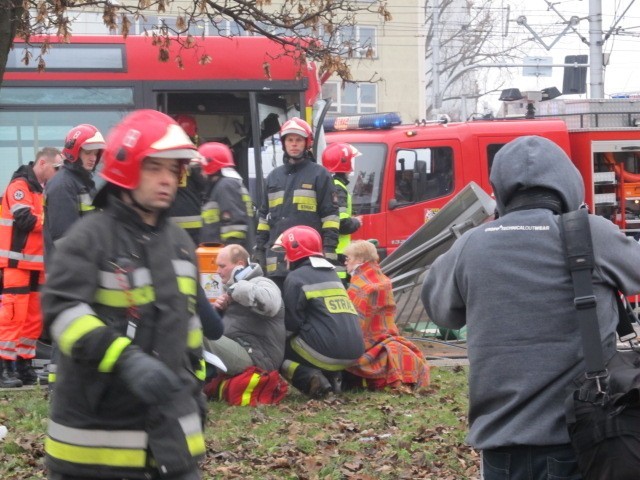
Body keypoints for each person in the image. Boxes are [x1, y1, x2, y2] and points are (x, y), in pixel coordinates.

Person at [421, 135, 640, 479]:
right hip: (586, 440)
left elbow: (441, 311)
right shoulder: (592, 235)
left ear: (501, 190)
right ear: (569, 183)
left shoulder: (472, 245)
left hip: (501, 448)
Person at [41, 109, 206, 480]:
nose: (167, 180)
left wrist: (195, 386)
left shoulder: (180, 244)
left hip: (171, 445)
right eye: (154, 168)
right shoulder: (89, 238)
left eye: (173, 169)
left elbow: (189, 326)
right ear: (126, 168)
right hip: (96, 450)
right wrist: (126, 360)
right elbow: (62, 311)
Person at [274, 225, 364, 398]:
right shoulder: (333, 274)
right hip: (354, 353)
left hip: (326, 353)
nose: (285, 257)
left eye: (286, 251)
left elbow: (291, 324)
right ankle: (334, 378)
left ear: (295, 250)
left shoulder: (296, 278)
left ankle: (311, 380)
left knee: (277, 349)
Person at [0, 147, 62, 387]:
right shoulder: (20, 187)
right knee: (13, 317)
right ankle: (5, 367)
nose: (58, 173)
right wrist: (54, 218)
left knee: (33, 319)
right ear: (43, 163)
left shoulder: (41, 190)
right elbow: (25, 220)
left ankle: (24, 365)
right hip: (18, 263)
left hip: (38, 265)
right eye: (56, 168)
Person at [255, 117, 340, 290]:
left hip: (307, 258)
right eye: (290, 140)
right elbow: (264, 218)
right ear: (284, 143)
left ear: (307, 143)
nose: (294, 144)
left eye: (299, 140)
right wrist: (259, 249)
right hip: (277, 258)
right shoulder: (273, 177)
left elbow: (330, 216)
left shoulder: (320, 175)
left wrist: (329, 250)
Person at [342, 240, 430, 392]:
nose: (345, 262)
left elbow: (352, 322)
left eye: (348, 258)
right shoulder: (383, 280)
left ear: (360, 260)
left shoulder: (361, 286)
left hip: (366, 342)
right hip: (386, 335)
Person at [203, 244, 285, 377]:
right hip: (243, 349)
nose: (217, 271)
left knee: (196, 335)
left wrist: (236, 287)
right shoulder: (232, 288)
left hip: (258, 358)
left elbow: (271, 304)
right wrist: (219, 311)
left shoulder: (262, 282)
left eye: (222, 266)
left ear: (239, 265)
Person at [43, 123, 106, 263]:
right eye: (88, 152)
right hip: (69, 272)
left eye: (96, 153)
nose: (93, 158)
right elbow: (65, 239)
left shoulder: (82, 182)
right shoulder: (63, 185)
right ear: (74, 153)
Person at [198, 142, 255, 250]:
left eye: (202, 167)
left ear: (211, 164)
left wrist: (230, 258)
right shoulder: (228, 184)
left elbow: (234, 230)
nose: (201, 173)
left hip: (227, 259)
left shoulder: (226, 186)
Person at [321, 142, 363, 282]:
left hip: (332, 252)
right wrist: (356, 222)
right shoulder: (339, 189)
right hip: (339, 254)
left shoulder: (330, 185)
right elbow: (343, 224)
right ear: (344, 163)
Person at [168, 158, 207, 246]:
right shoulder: (193, 165)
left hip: (172, 224)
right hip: (194, 225)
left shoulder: (167, 165)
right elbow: (205, 186)